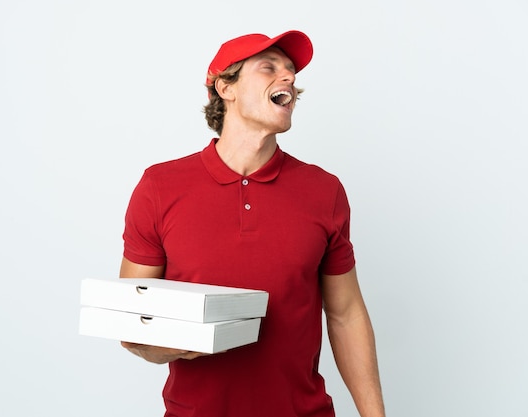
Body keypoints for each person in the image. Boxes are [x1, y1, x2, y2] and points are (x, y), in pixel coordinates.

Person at [119, 30, 385, 417]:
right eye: (269, 67)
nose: (289, 78)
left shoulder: (324, 191)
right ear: (225, 87)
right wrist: (169, 346)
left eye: (291, 71)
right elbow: (133, 319)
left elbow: (346, 313)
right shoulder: (160, 187)